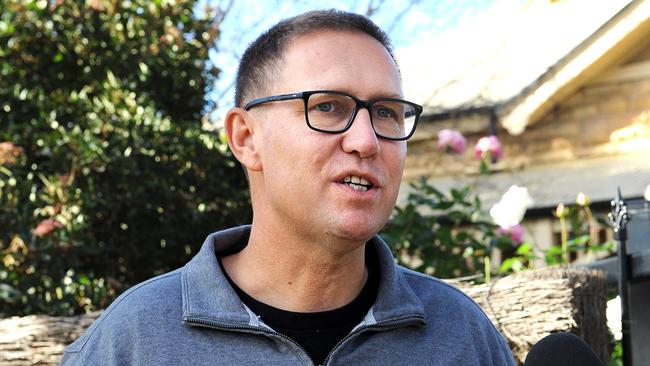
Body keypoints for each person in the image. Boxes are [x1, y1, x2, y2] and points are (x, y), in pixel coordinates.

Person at [62, 9, 516, 366]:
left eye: (386, 112)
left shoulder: (460, 336)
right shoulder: (137, 341)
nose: (366, 141)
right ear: (246, 138)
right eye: (328, 107)